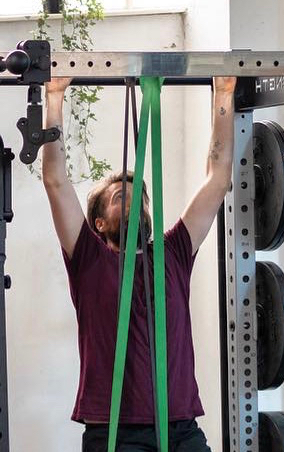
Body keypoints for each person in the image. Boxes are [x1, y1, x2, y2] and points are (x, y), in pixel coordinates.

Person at [40, 76, 237, 451]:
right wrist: (54, 98)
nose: (131, 203)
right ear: (99, 223)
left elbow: (217, 180)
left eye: (137, 198)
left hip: (180, 427)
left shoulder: (174, 252)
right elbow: (55, 182)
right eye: (119, 198)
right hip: (116, 432)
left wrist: (223, 95)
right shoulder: (88, 258)